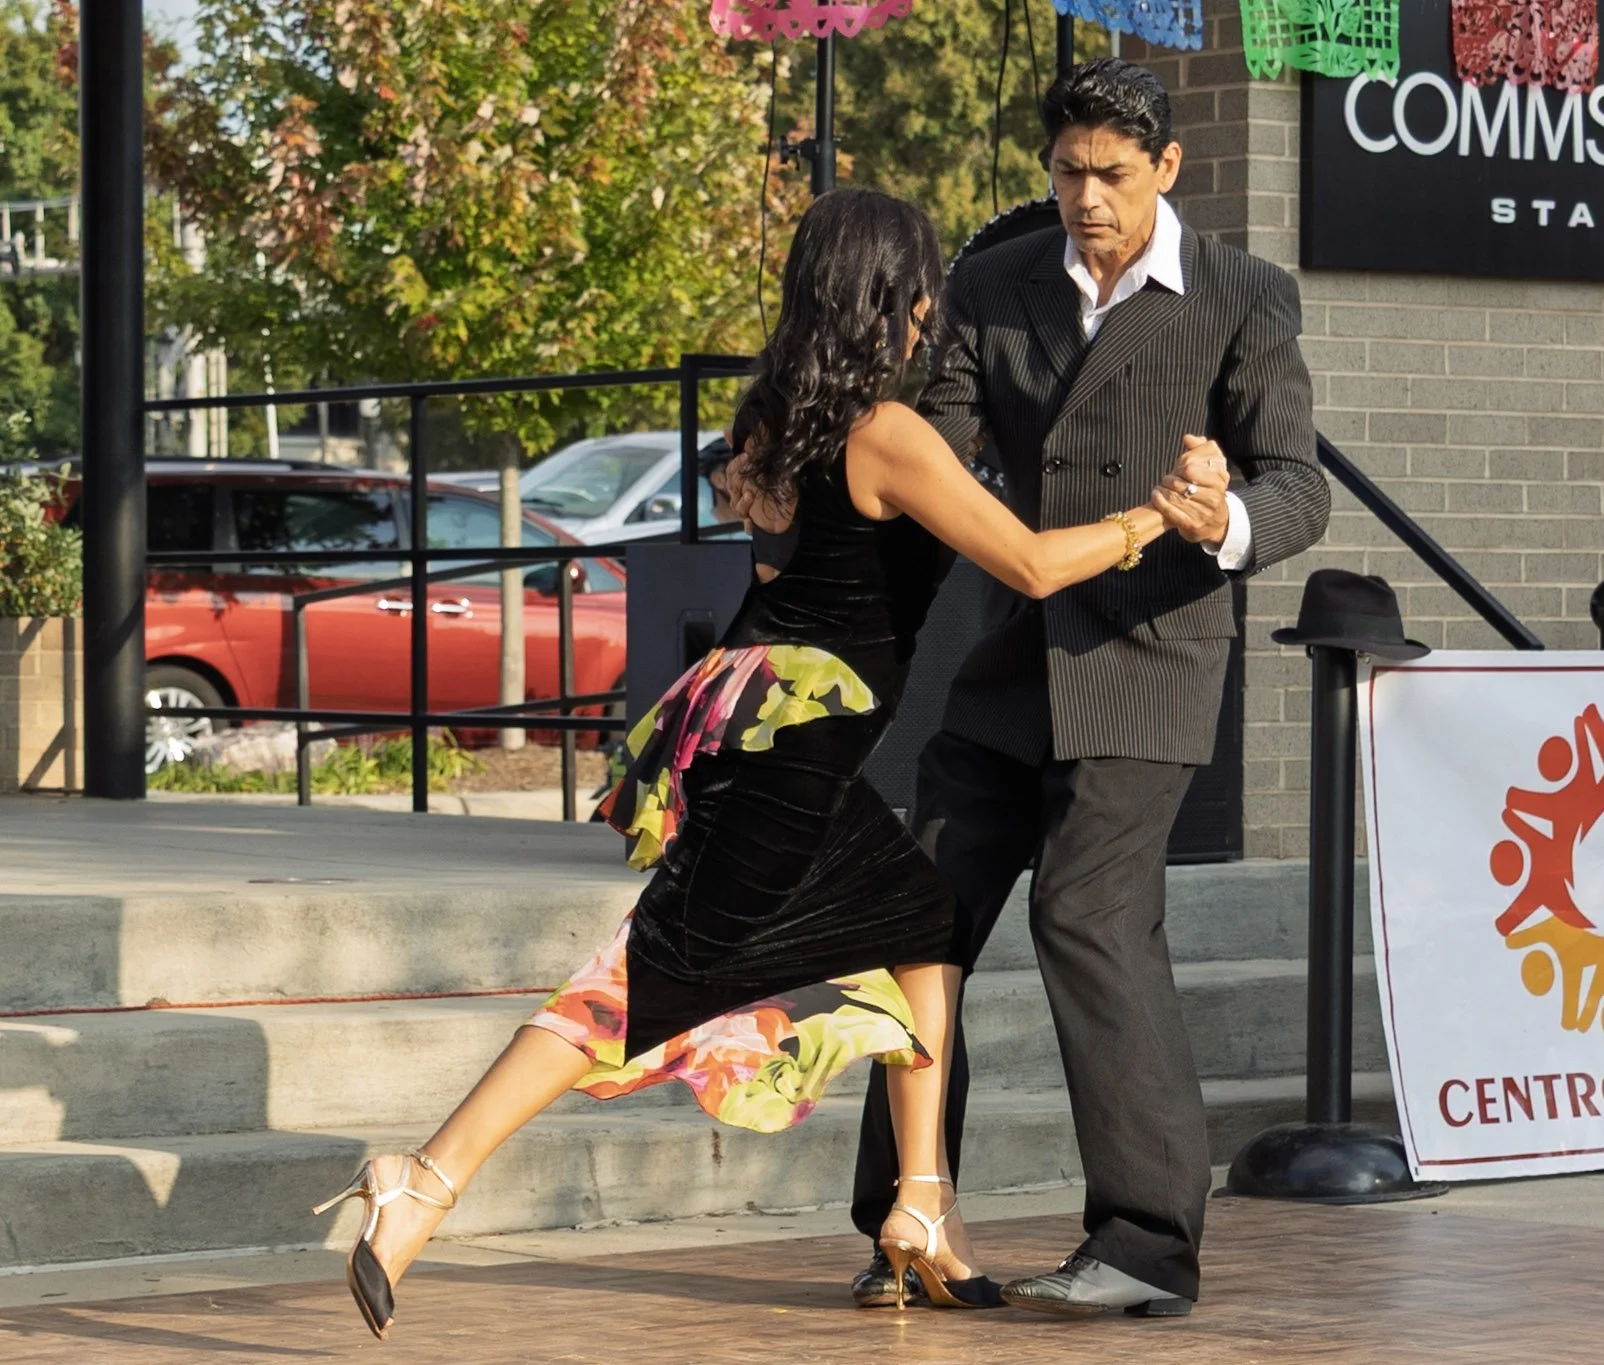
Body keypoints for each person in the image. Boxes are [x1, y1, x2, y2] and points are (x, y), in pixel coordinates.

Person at [310, 187, 1215, 1339]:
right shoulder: (883, 437)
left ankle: (920, 1210)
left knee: (922, 932)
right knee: (637, 981)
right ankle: (422, 1177)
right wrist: (1155, 519)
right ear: (893, 299)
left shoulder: (770, 425)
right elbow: (1033, 565)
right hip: (792, 754)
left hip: (759, 727)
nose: (934, 307)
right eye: (922, 287)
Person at [843, 57, 1329, 1319]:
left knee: (1087, 918)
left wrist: (1224, 517)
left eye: (1111, 174)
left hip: (1153, 659)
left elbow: (1296, 483)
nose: (1086, 197)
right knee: (915, 919)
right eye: (1067, 172)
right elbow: (937, 443)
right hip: (1008, 664)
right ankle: (909, 1216)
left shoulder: (1241, 297)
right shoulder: (993, 282)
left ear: (1166, 169)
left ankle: (1144, 1247)